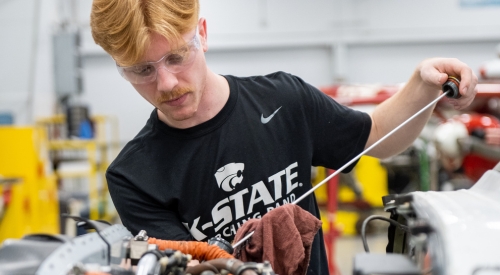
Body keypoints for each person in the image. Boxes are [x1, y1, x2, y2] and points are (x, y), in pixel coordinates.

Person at [90, 1, 477, 274]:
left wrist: (422, 86)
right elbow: (186, 267)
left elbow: (378, 136)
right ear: (120, 68)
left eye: (176, 57)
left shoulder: (283, 100)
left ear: (202, 35)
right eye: (142, 69)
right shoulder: (134, 176)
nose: (167, 83)